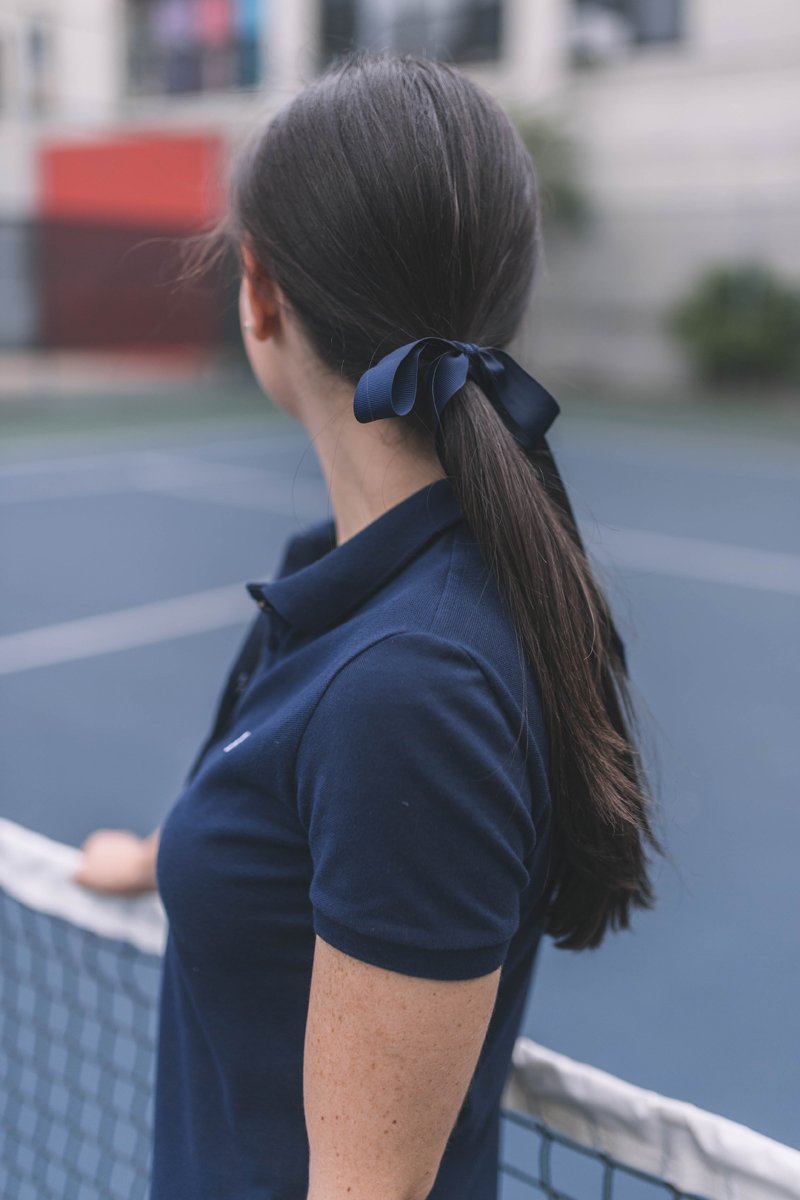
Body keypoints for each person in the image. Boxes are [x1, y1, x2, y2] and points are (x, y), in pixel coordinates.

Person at [74, 49, 665, 1200]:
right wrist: (156, 860)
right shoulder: (352, 592)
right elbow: (303, 821)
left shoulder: (411, 689)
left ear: (258, 293)